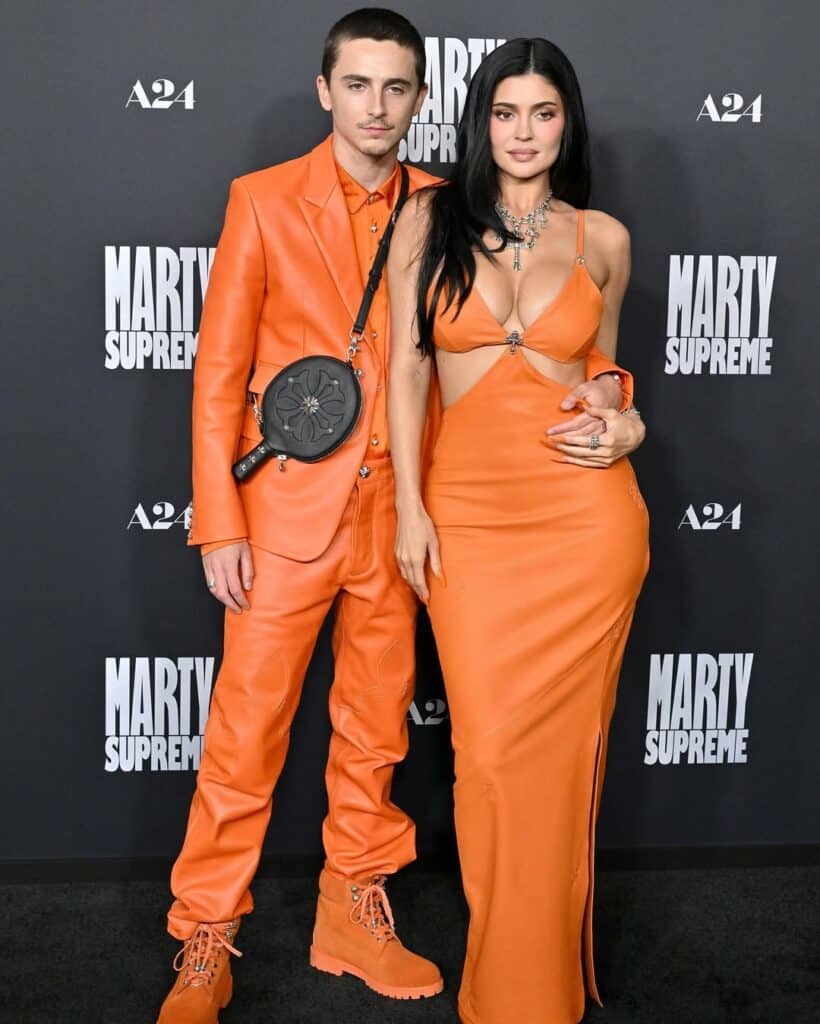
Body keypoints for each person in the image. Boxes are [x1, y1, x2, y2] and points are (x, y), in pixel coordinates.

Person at [159, 9, 637, 1021]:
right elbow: (218, 374)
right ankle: (204, 932)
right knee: (245, 732)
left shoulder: (443, 205)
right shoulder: (262, 199)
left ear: (422, 99)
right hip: (287, 513)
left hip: (406, 514)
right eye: (357, 85)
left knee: (375, 729)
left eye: (396, 88)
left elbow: (558, 342)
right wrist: (220, 522)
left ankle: (352, 906)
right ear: (324, 90)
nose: (376, 107)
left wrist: (617, 402)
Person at [387, 37, 649, 1024]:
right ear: (480, 121)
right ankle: (509, 979)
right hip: (469, 519)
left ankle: (531, 995)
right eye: (506, 113)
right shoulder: (428, 218)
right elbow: (408, 369)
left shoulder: (602, 239)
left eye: (544, 113)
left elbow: (603, 373)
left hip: (585, 526)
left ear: (567, 122)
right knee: (490, 758)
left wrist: (622, 413)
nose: (524, 133)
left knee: (562, 765)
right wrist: (410, 508)